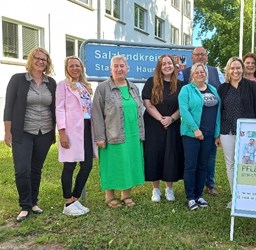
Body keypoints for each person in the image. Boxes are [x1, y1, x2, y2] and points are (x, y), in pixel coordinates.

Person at [3, 47, 56, 222]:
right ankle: (25, 206)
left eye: (44, 59)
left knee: (35, 169)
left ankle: (34, 202)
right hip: (23, 131)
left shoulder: (51, 83)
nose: (41, 62)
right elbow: (9, 107)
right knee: (22, 170)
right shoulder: (18, 80)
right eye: (38, 58)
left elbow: (55, 107)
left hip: (45, 132)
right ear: (31, 60)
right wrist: (7, 132)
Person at [92, 55, 145, 208]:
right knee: (112, 164)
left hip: (133, 133)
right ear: (110, 69)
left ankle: (126, 194)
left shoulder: (133, 87)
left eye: (122, 66)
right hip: (112, 134)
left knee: (128, 163)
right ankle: (109, 196)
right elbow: (96, 113)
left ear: (127, 68)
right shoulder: (102, 88)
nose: (119, 69)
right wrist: (100, 136)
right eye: (116, 66)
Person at [178, 46, 224, 196]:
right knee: (191, 164)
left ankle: (207, 187)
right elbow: (183, 108)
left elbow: (219, 107)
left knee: (206, 162)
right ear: (192, 58)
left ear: (207, 57)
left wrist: (217, 133)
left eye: (203, 54)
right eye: (196, 55)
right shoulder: (184, 81)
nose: (200, 57)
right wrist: (195, 128)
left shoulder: (215, 79)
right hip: (192, 131)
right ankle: (191, 196)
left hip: (210, 131)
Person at [217, 57, 256, 207]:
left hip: (247, 134)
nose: (235, 71)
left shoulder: (252, 86)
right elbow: (219, 112)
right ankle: (235, 196)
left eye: (238, 68)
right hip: (227, 131)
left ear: (242, 69)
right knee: (230, 164)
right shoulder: (222, 88)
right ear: (228, 70)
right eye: (232, 68)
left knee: (246, 164)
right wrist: (217, 134)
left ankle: (249, 195)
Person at [56, 56, 97, 216]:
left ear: (82, 68)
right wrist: (62, 131)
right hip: (71, 130)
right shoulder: (63, 86)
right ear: (67, 68)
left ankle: (75, 198)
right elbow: (59, 109)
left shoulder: (85, 86)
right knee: (69, 166)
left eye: (77, 66)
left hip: (86, 129)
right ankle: (67, 202)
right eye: (71, 66)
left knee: (87, 165)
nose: (75, 68)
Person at [142, 55, 184, 202]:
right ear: (159, 67)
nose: (167, 66)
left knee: (170, 155)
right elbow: (147, 103)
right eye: (164, 63)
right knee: (154, 155)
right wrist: (161, 118)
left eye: (170, 63)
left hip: (173, 125)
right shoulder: (151, 82)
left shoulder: (181, 85)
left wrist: (171, 118)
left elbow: (182, 107)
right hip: (154, 124)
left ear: (174, 66)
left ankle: (169, 189)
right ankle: (155, 189)